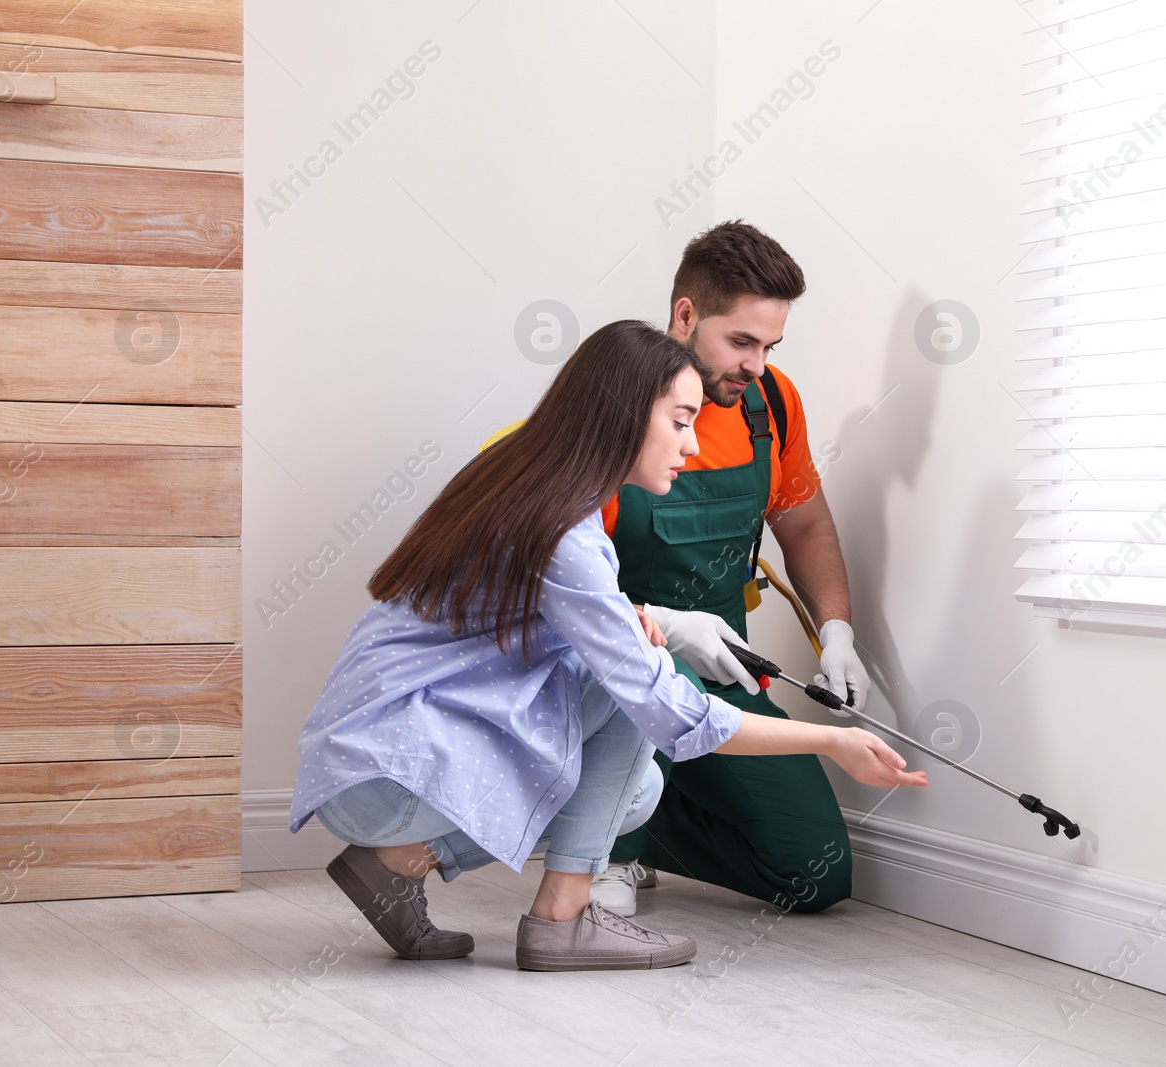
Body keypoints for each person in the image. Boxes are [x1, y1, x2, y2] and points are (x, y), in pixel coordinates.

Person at [287, 320, 926, 971]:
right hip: (387, 780)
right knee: (640, 694)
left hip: (364, 764)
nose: (692, 440)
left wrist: (642, 616)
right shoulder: (569, 529)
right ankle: (558, 917)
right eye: (680, 420)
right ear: (625, 414)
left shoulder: (534, 484)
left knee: (639, 789)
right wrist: (834, 739)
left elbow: (511, 618)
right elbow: (675, 711)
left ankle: (393, 864)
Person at [588, 222, 872, 919]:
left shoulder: (769, 404)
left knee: (817, 871)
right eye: (741, 341)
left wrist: (837, 632)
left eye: (769, 345)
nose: (756, 362)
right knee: (623, 720)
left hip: (723, 674)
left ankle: (644, 824)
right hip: (614, 684)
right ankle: (602, 838)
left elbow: (804, 524)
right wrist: (662, 628)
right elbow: (552, 590)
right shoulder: (608, 408)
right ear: (685, 315)